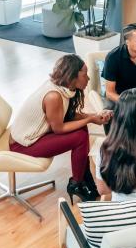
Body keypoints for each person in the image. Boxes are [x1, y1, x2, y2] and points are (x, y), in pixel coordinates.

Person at [10, 54, 112, 203]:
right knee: (80, 137)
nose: (88, 79)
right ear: (72, 76)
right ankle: (77, 184)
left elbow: (67, 115)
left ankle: (84, 179)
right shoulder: (53, 96)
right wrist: (89, 119)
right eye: (85, 74)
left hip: (37, 135)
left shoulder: (64, 88)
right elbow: (58, 128)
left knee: (82, 131)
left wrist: (93, 116)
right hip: (23, 144)